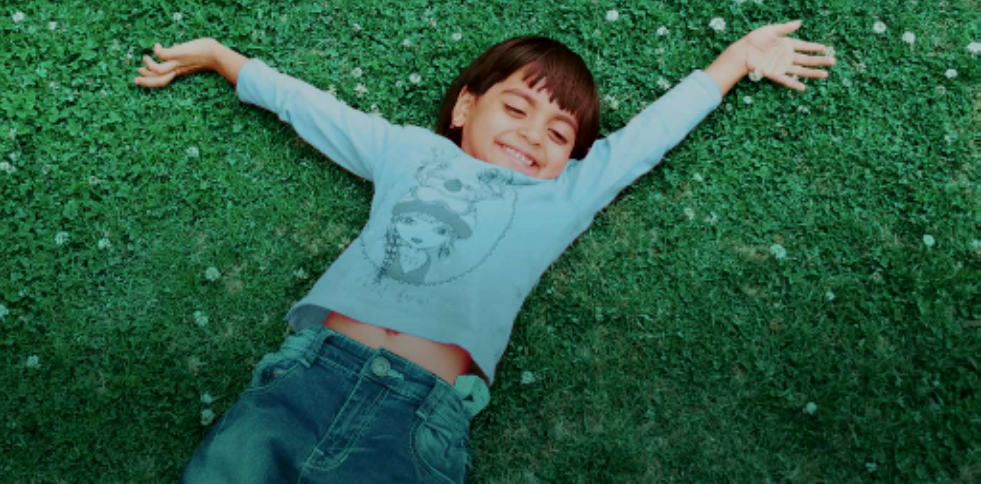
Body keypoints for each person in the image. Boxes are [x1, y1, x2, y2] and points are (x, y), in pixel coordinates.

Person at [135, 20, 835, 483]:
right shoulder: (409, 151)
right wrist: (224, 59)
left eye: (560, 133)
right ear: (465, 107)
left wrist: (737, 60)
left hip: (416, 420)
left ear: (572, 160)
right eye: (517, 108)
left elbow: (649, 136)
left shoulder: (565, 195)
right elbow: (315, 109)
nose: (535, 136)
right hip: (303, 380)